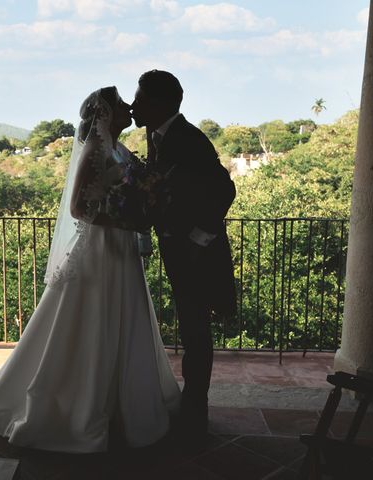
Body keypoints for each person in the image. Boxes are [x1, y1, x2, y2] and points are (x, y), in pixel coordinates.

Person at [0, 86, 181, 453]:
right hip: (99, 249)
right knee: (91, 322)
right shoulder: (95, 151)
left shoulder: (122, 150)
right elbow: (76, 209)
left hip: (121, 250)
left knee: (124, 320)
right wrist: (123, 221)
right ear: (104, 115)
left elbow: (132, 191)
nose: (128, 108)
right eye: (120, 105)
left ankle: (121, 404)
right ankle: (81, 406)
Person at [131, 70, 237, 444]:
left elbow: (225, 189)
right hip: (178, 249)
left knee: (196, 332)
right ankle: (193, 411)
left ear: (159, 104)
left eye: (140, 98)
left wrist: (196, 238)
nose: (134, 104)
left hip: (197, 254)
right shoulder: (158, 136)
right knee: (192, 329)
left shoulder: (188, 139)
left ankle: (195, 416)